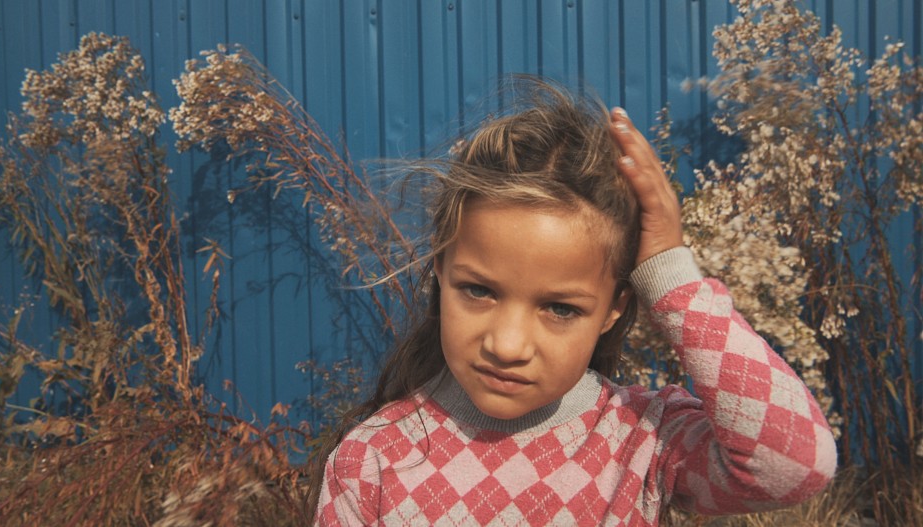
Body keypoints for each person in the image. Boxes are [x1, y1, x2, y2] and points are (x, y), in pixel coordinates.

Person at [304, 79, 837, 526]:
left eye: (561, 308)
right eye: (479, 291)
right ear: (440, 272)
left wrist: (671, 274)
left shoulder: (642, 441)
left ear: (613, 309)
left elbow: (793, 465)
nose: (507, 345)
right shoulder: (372, 461)